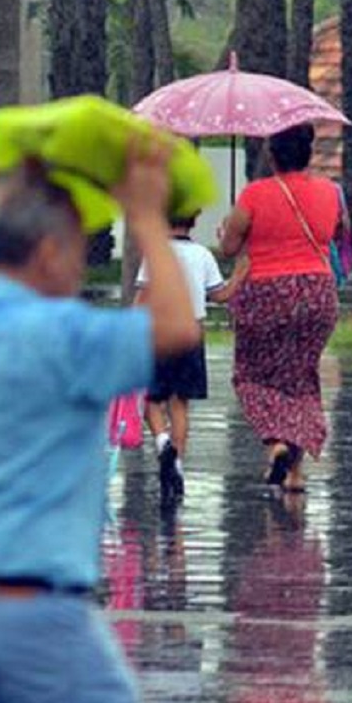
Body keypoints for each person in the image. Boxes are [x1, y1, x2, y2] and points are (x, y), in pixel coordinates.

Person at [0, 138, 201, 703]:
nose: (78, 270)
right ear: (45, 253)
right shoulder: (65, 336)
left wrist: (23, 183)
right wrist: (144, 217)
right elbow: (176, 329)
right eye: (75, 254)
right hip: (32, 620)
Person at [217, 123, 348, 492]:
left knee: (253, 377)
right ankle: (295, 473)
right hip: (317, 292)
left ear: (272, 156)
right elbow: (338, 234)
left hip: (266, 292)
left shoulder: (256, 193)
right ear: (308, 153)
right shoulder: (330, 192)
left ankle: (276, 443)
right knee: (301, 376)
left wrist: (230, 229)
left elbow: (229, 248)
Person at [135, 214, 247, 503]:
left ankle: (162, 443)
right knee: (179, 403)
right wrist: (239, 274)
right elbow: (220, 295)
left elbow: (142, 297)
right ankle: (179, 467)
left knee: (151, 399)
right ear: (195, 220)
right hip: (190, 332)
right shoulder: (202, 255)